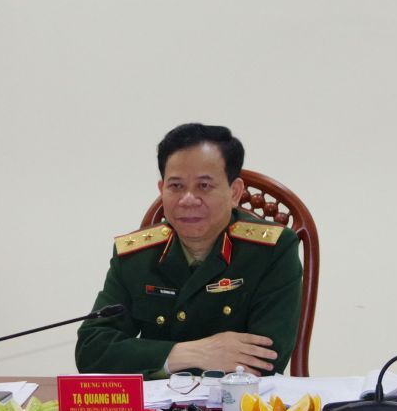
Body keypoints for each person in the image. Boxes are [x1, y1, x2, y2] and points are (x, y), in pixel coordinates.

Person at [76, 123, 303, 377]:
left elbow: (266, 360)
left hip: (238, 400)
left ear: (235, 192)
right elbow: (91, 351)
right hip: (158, 402)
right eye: (176, 186)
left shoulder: (272, 250)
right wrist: (191, 354)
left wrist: (152, 359)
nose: (188, 199)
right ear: (162, 190)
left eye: (204, 186)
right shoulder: (135, 256)